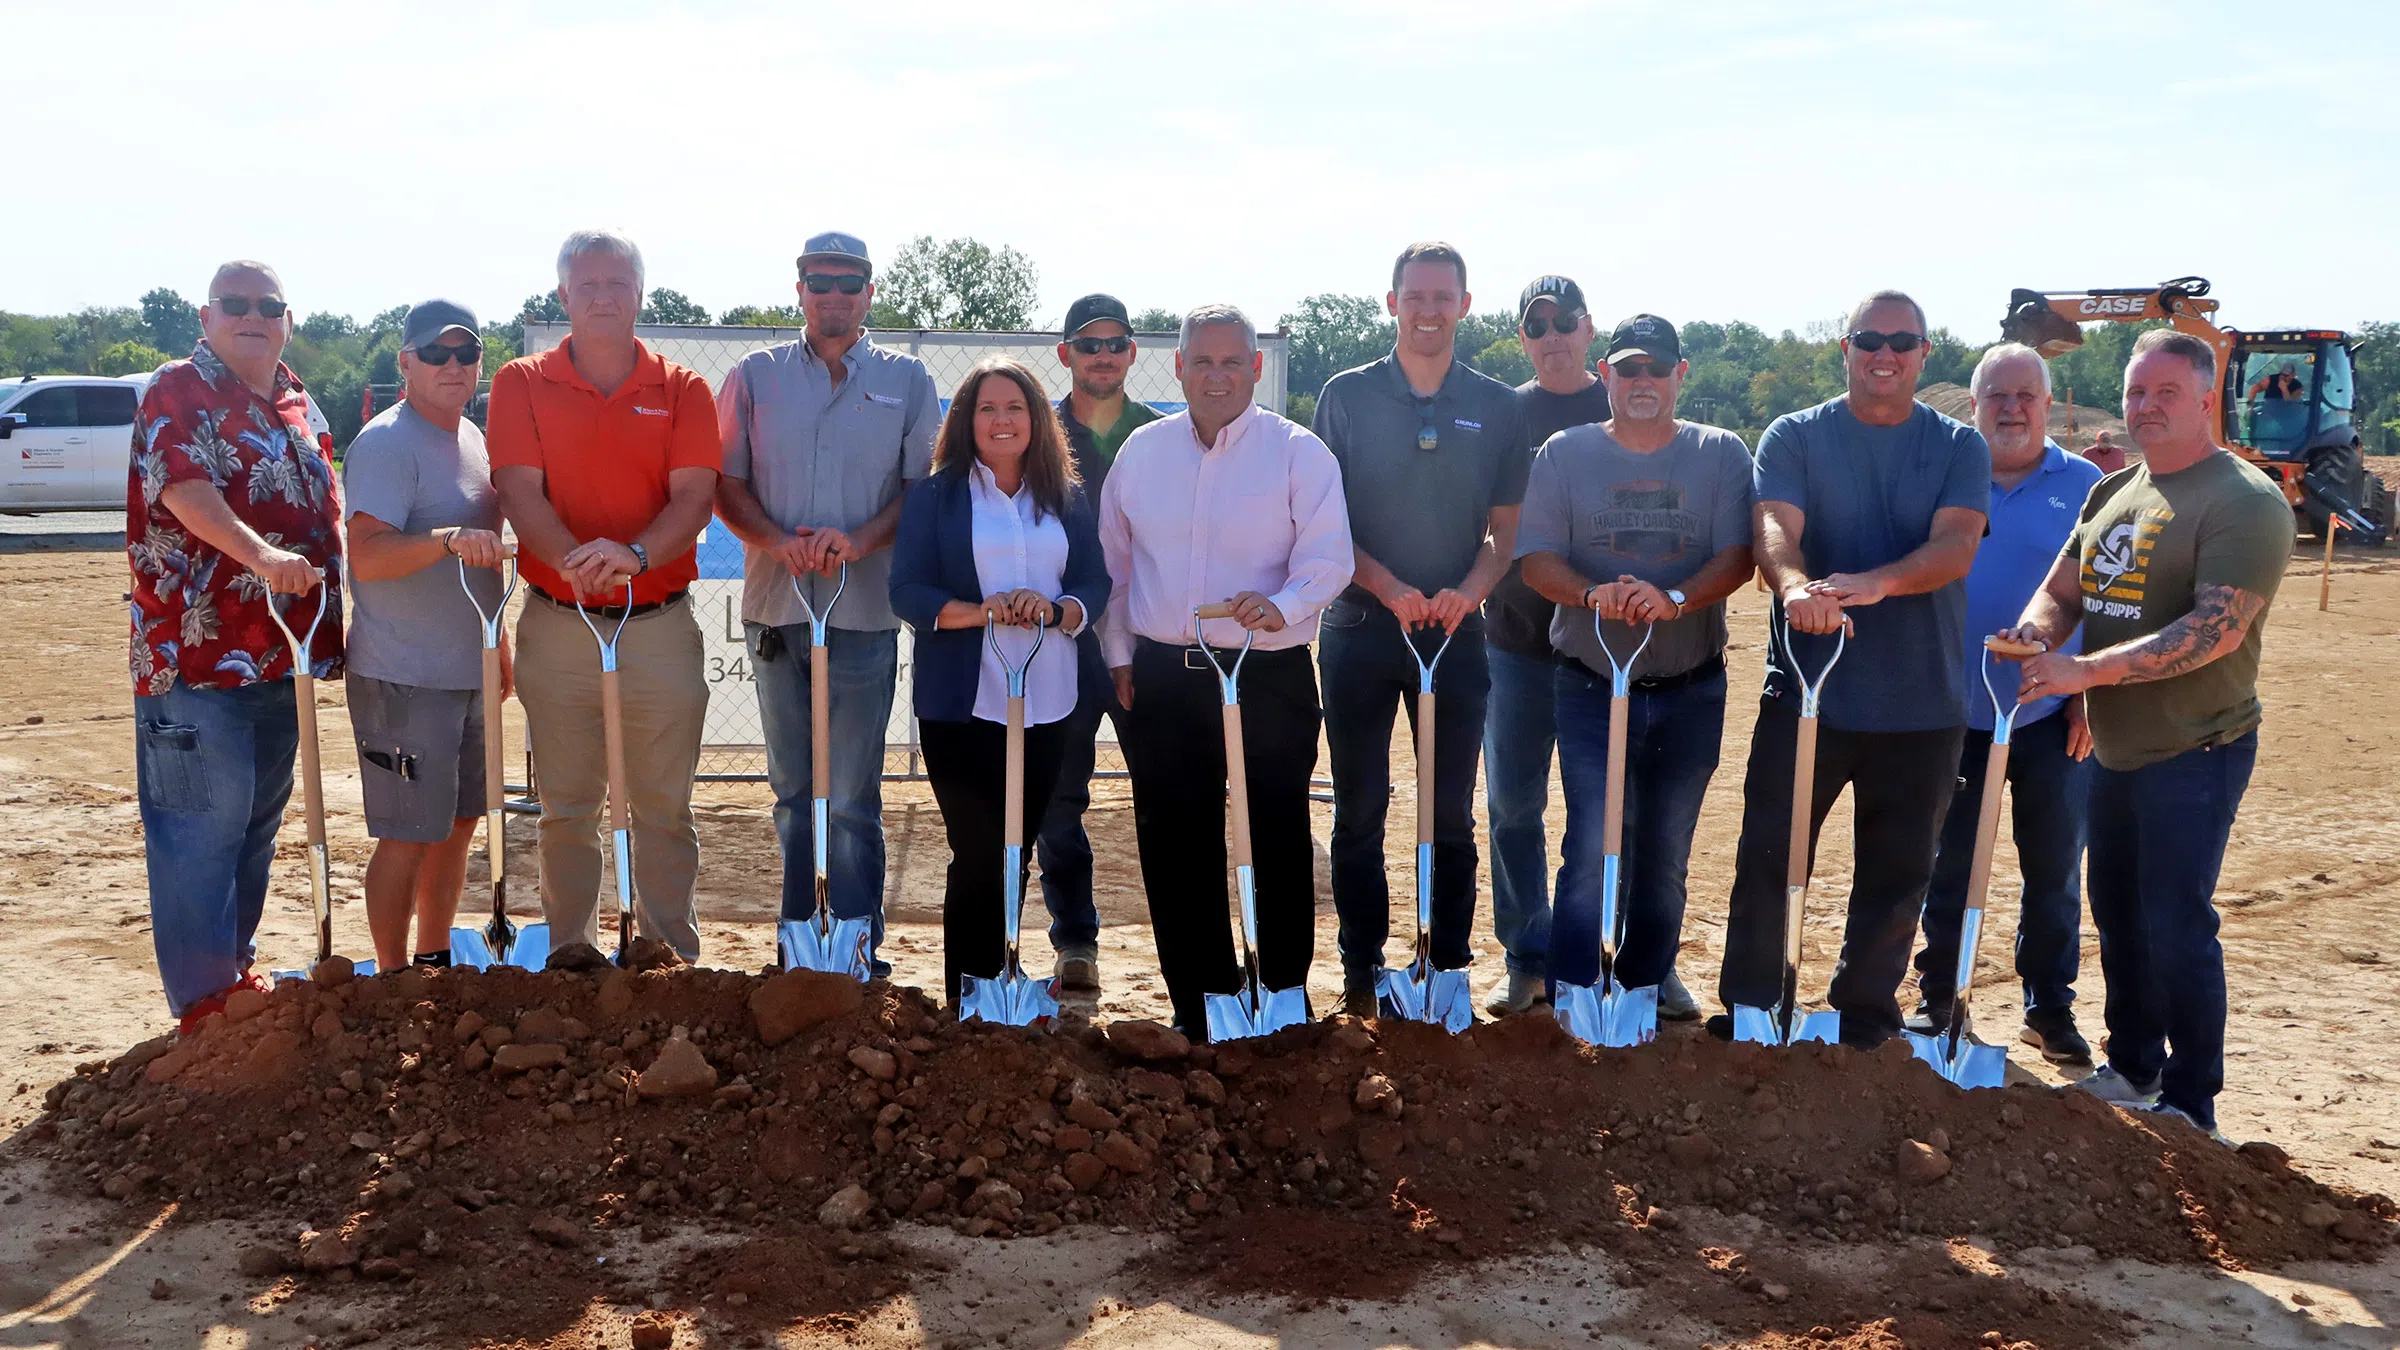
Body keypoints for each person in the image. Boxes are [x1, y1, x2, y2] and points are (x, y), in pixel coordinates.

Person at [2006, 329, 2294, 1139]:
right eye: (2137, 392)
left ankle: (2192, 1103)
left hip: (2197, 748)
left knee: (2176, 923)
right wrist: (2035, 632)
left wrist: (2086, 675)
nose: (2145, 407)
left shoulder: (2242, 499)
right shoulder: (2116, 493)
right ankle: (2134, 1065)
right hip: (2117, 749)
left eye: (2166, 393)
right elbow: (2062, 591)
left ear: (2205, 398)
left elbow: (2215, 630)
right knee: (2119, 916)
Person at [1715, 289, 1991, 1048]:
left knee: (1898, 874)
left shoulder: (1958, 446)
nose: (1885, 354)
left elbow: (1957, 545)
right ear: (1846, 348)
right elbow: (1774, 524)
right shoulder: (1796, 436)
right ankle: (1751, 1006)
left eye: (1902, 343)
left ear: (1924, 355)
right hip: (1809, 692)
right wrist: (1796, 586)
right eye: (1870, 338)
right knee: (1771, 853)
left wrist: (1877, 583)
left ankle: (1864, 1015)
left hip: (1923, 700)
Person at [1099, 304, 1353, 1039]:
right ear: (1176, 367)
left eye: (1231, 362)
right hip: (1165, 677)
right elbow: (1114, 569)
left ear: (1255, 368)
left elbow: (1329, 557)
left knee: (1275, 831)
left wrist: (1280, 605)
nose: (1216, 376)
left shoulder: (1299, 453)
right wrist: (1119, 656)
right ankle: (1200, 1000)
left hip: (1266, 676)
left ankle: (1279, 995)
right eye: (1201, 362)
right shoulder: (1141, 455)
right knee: (1176, 841)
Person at [488, 229, 721, 967]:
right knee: (567, 807)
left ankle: (666, 956)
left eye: (617, 284)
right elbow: (519, 490)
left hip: (656, 623)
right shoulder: (521, 383)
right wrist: (572, 560)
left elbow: (695, 498)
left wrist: (635, 554)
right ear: (562, 297)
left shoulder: (682, 389)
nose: (602, 298)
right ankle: (571, 956)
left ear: (639, 295)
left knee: (661, 807)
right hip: (559, 625)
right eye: (586, 285)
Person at [128, 260, 345, 1032]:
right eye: (237, 304)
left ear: (287, 318)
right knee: (198, 833)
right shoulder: (176, 389)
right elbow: (186, 489)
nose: (253, 315)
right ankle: (200, 1005)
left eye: (269, 305)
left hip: (281, 653)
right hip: (195, 659)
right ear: (207, 314)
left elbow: (329, 510)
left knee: (254, 824)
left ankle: (233, 974)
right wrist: (262, 559)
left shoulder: (296, 402)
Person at [715, 231, 939, 976]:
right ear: (800, 290)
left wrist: (859, 542)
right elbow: (726, 485)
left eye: (850, 281)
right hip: (778, 611)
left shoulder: (908, 382)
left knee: (851, 796)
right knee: (792, 794)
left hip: (864, 614)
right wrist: (778, 541)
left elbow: (918, 495)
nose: (834, 294)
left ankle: (855, 944)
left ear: (870, 292)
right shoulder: (754, 376)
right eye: (821, 281)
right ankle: (797, 943)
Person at [1311, 242, 1526, 1017]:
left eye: (1444, 297)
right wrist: (1391, 588)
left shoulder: (1500, 406)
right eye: (1415, 296)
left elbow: (1506, 530)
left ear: (1466, 305)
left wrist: (1468, 592)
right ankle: (1362, 967)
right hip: (1363, 628)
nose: (1429, 310)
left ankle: (1444, 964)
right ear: (1391, 302)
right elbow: (1324, 524)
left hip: (1458, 633)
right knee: (1360, 803)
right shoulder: (1346, 394)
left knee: (1448, 810)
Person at [1519, 315, 1755, 1014]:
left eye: (1657, 368)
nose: (1643, 381)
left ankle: (1644, 984)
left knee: (1666, 850)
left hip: (1691, 688)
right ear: (1606, 377)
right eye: (1628, 369)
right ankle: (1574, 991)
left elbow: (1739, 557)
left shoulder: (1720, 454)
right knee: (1591, 843)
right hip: (1593, 685)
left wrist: (1675, 598)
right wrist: (1593, 594)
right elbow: (1536, 560)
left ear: (1681, 375)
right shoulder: (1564, 454)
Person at [890, 359, 1110, 1003]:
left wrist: (1058, 610)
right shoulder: (936, 496)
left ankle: (1006, 984)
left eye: (1014, 407)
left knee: (1018, 845)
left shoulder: (1064, 495)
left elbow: (1093, 581)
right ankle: (972, 993)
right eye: (987, 408)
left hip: (1047, 698)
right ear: (967, 421)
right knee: (980, 850)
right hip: (963, 702)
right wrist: (984, 612)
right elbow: (907, 591)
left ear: (1036, 418)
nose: (1001, 420)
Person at [1907, 343, 2102, 1063]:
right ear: (1975, 404)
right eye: (1997, 397)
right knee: (1949, 863)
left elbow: (2106, 603)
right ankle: (1939, 1000)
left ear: (2049, 405)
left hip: (2052, 714)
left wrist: (2087, 694)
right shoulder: (1945, 481)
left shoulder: (2088, 487)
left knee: (2053, 868)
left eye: (2026, 396)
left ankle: (2048, 1009)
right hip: (1952, 714)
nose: (2012, 409)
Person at [340, 299, 515, 973]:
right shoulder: (387, 443)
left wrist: (500, 648)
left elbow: (488, 558)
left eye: (465, 354)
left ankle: (433, 959)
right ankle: (390, 980)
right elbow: (370, 557)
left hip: (465, 672)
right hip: (403, 676)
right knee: (407, 834)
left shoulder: (473, 440)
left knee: (457, 825)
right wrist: (446, 541)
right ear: (405, 363)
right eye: (435, 354)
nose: (452, 366)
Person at [1481, 275, 1614, 1016]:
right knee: (1514, 810)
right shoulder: (1505, 412)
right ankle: (1527, 957)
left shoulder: (1625, 398)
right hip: (1517, 642)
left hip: (1609, 648)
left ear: (1588, 328)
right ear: (1523, 338)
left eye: (1565, 321)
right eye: (1537, 326)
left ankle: (1621, 957)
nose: (1553, 335)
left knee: (1605, 815)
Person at [1036, 293, 1164, 991]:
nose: (1103, 355)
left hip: (1151, 641)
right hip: (1067, 641)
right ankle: (1075, 943)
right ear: (1066, 355)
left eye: (1116, 342)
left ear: (1132, 353)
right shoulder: (1037, 435)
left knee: (1172, 799)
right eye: (1089, 344)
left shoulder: (1160, 434)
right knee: (1060, 801)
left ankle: (1187, 944)